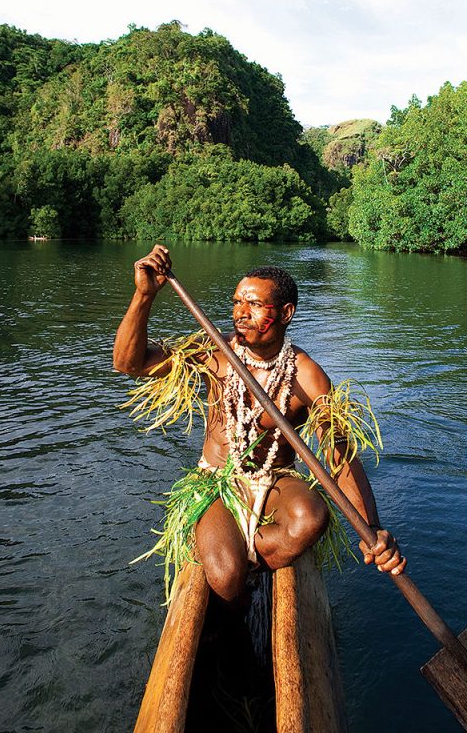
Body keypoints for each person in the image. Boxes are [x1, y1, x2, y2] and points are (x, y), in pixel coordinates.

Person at [113, 244, 406, 607]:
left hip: (276, 481)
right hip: (217, 482)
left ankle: (244, 552)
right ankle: (233, 555)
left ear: (286, 313)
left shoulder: (307, 376)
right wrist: (144, 296)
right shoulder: (215, 353)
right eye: (237, 302)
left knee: (312, 518)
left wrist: (372, 529)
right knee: (225, 577)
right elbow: (130, 363)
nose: (240, 313)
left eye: (253, 305)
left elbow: (339, 455)